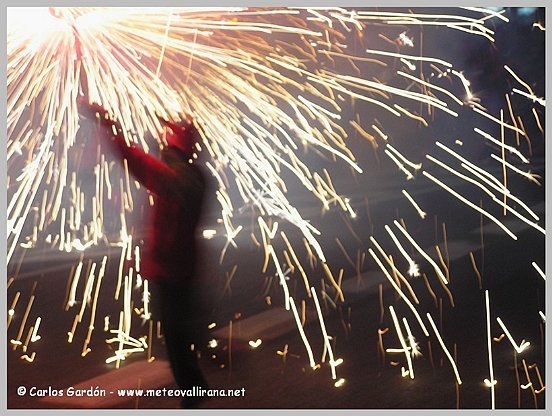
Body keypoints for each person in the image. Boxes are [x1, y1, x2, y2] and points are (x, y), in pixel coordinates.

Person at [79, 100, 209, 408]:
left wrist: (108, 126)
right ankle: (196, 383)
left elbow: (135, 160)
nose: (160, 145)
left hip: (174, 274)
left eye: (167, 141)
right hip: (177, 270)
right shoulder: (189, 177)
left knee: (179, 342)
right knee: (180, 337)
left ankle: (196, 395)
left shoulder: (177, 180)